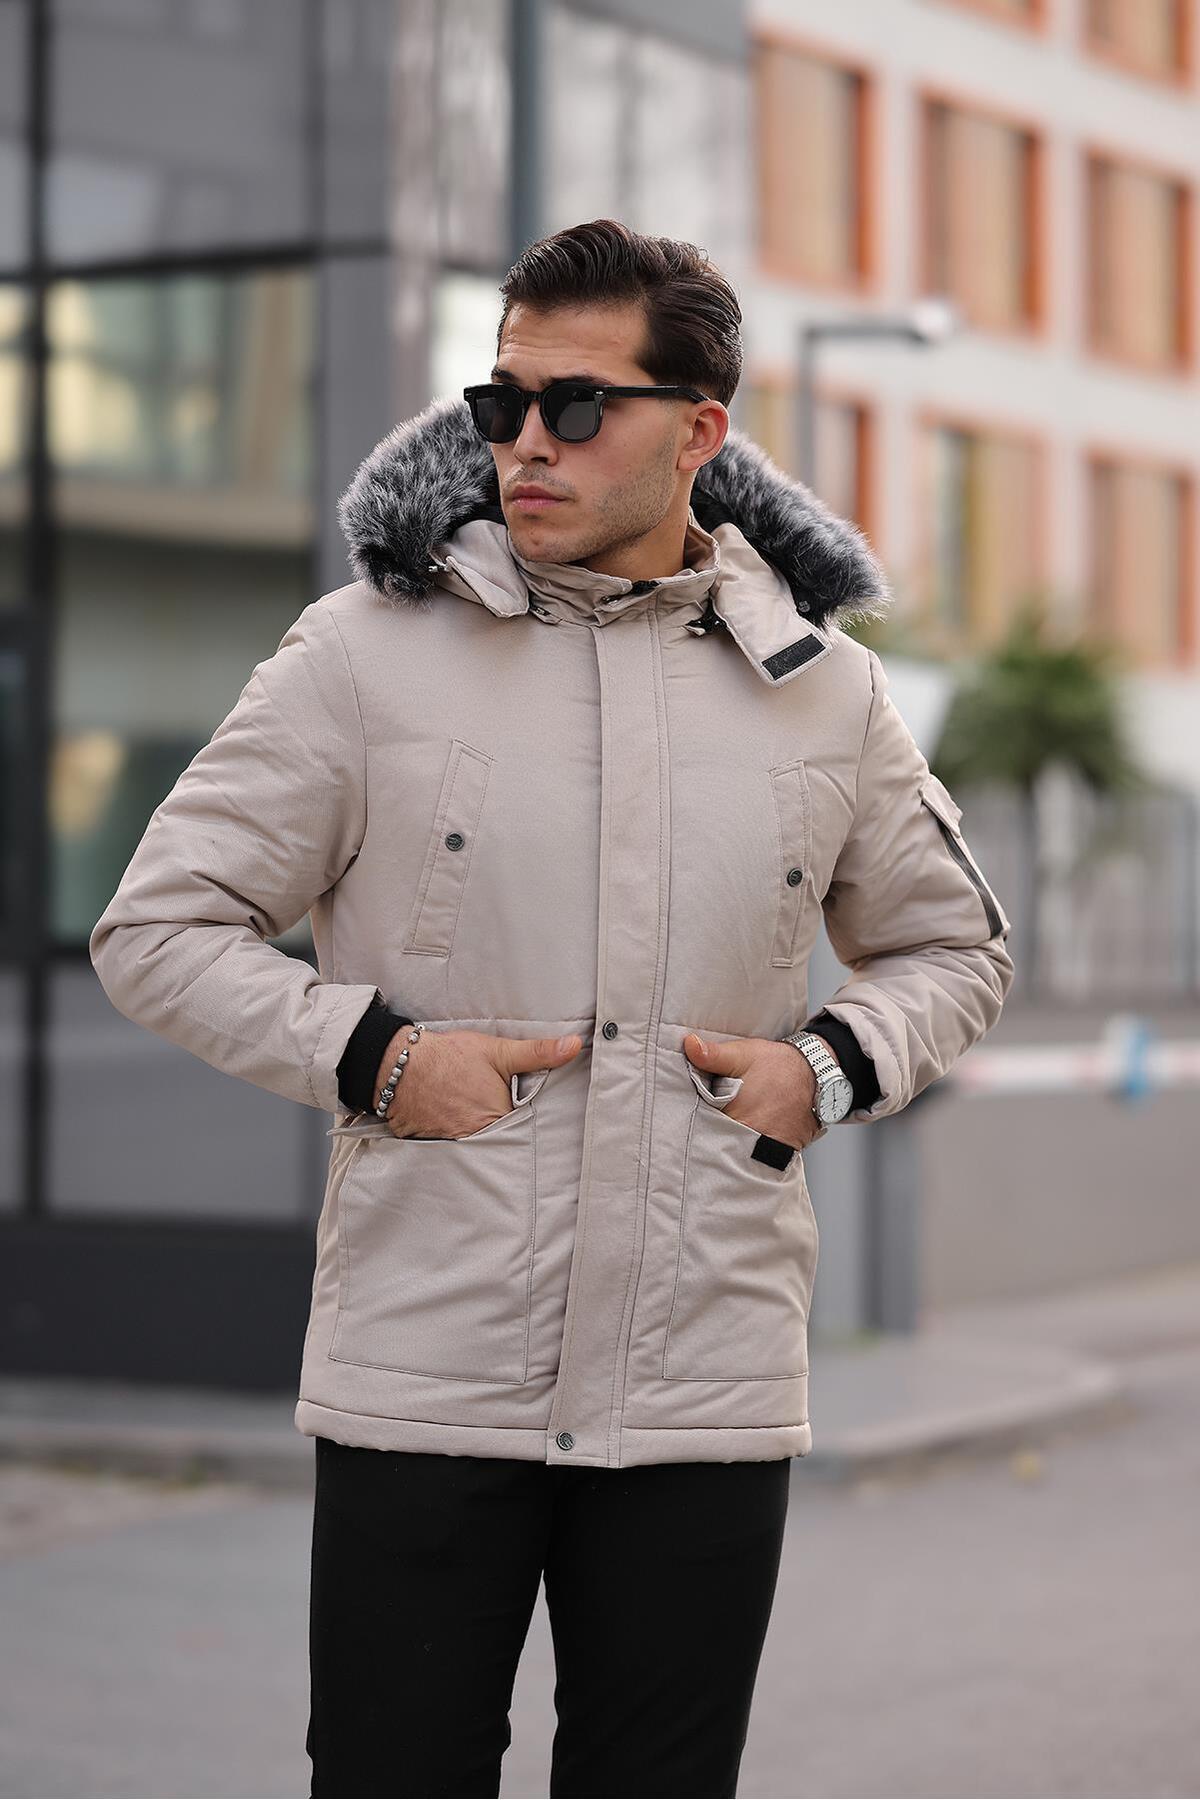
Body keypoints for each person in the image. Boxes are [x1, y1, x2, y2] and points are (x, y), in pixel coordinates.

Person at [89, 218, 1015, 1798]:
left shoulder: (824, 690)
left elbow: (957, 952)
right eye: (501, 402)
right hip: (426, 1369)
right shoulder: (362, 656)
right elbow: (157, 927)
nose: (526, 441)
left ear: (698, 432)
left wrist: (828, 1068)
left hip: (703, 1380)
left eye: (576, 407)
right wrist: (379, 1059)